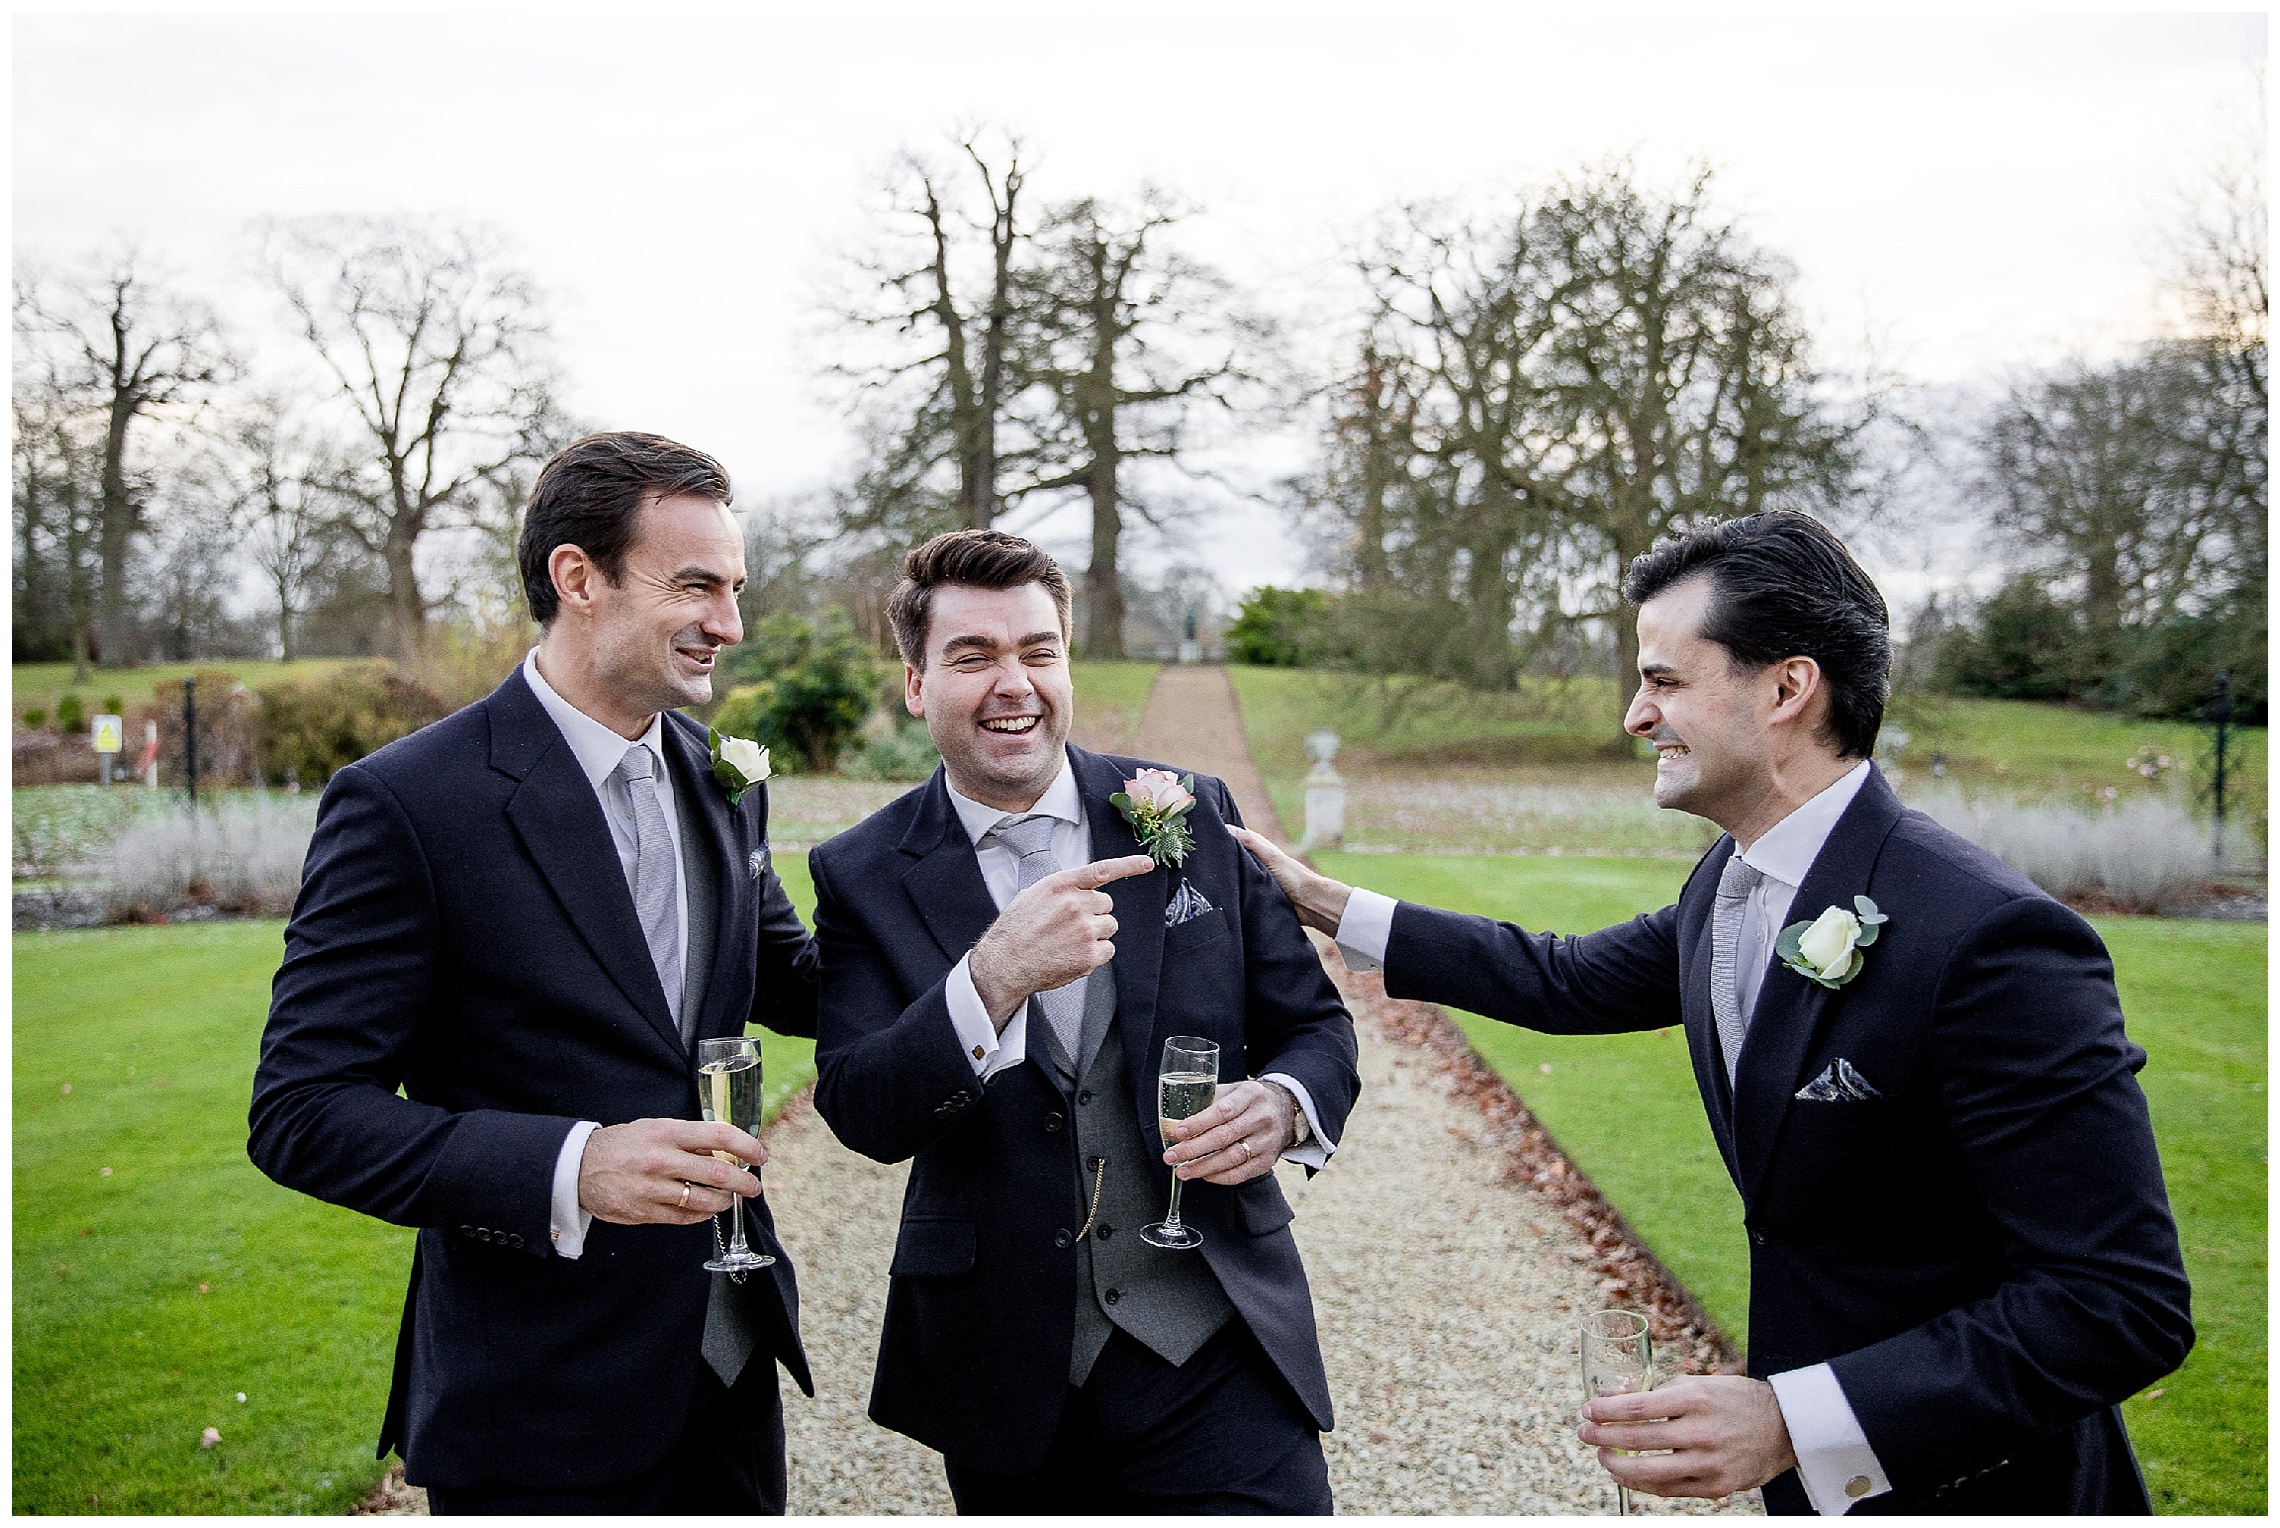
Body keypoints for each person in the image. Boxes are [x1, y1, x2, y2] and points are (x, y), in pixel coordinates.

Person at [1233, 511, 2193, 1515]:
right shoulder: (1728, 887)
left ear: (1787, 688)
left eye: (1664, 679)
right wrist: (1327, 903)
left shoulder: (1992, 943)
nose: (1633, 716)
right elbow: (1562, 979)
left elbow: (2120, 1303)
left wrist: (1796, 1420)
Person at [249, 432, 819, 1514]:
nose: (730, 624)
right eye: (697, 586)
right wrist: (574, 1164)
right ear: (578, 578)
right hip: (534, 1398)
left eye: (735, 589)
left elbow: (792, 979)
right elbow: (301, 1112)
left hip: (728, 1367)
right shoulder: (409, 802)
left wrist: (988, 933)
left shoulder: (721, 776)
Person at [808, 529, 1360, 1513]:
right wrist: (991, 975)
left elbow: (1315, 1026)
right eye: (972, 655)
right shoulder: (861, 869)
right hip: (1003, 1363)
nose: (1011, 682)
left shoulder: (1186, 811)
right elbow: (862, 1108)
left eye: (1037, 650)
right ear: (914, 684)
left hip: (1215, 1335)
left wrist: (1282, 1104)